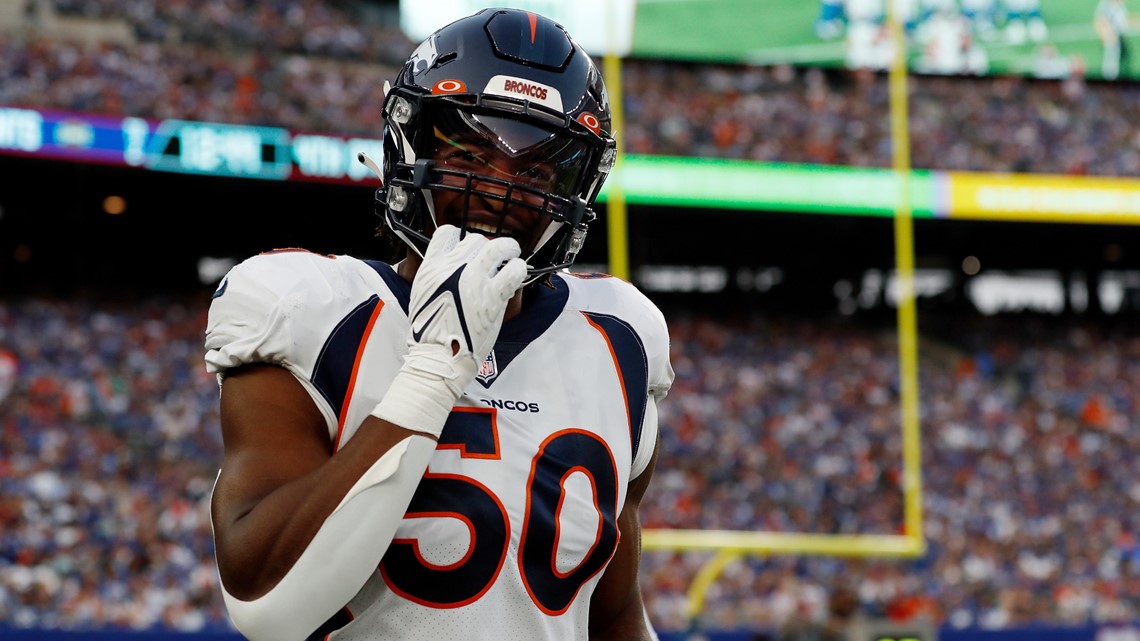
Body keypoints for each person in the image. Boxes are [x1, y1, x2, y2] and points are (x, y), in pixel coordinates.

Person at [202, 8, 673, 641]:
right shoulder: (308, 307)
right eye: (471, 154)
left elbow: (613, 617)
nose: (497, 190)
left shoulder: (622, 337)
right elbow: (269, 608)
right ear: (413, 145)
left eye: (534, 171)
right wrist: (435, 368)